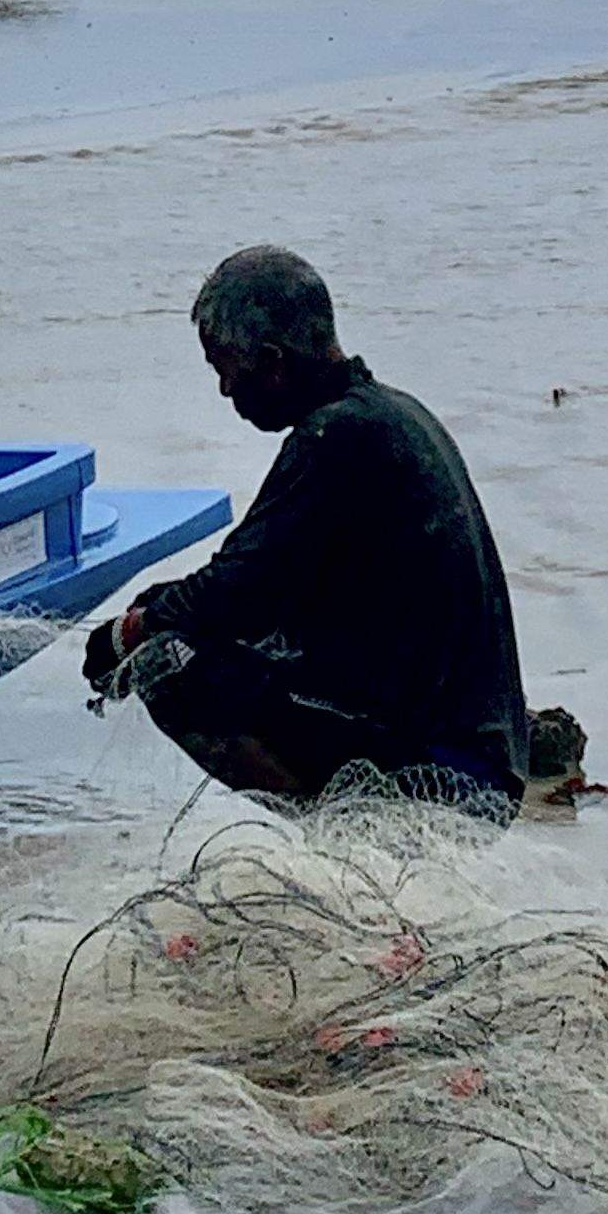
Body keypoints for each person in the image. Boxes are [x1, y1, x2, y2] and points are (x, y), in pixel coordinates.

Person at [84, 243, 529, 803]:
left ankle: (340, 841)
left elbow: (236, 592)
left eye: (226, 368)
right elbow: (262, 580)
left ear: (272, 363)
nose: (224, 389)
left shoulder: (334, 439)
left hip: (442, 773)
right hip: (489, 760)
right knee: (200, 633)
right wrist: (157, 602)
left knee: (168, 666)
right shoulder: (394, 414)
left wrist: (131, 631)